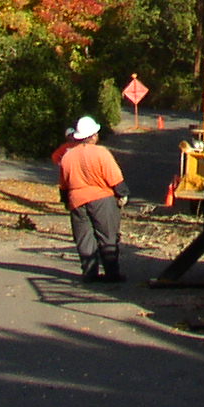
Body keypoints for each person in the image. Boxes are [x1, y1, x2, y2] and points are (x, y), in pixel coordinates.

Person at [57, 114, 128, 282]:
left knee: (84, 238)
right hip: (102, 199)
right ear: (94, 135)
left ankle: (90, 274)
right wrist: (123, 194)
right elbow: (115, 178)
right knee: (107, 236)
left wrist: (67, 202)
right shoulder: (101, 153)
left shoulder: (68, 156)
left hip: (77, 201)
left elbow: (63, 184)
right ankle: (112, 274)